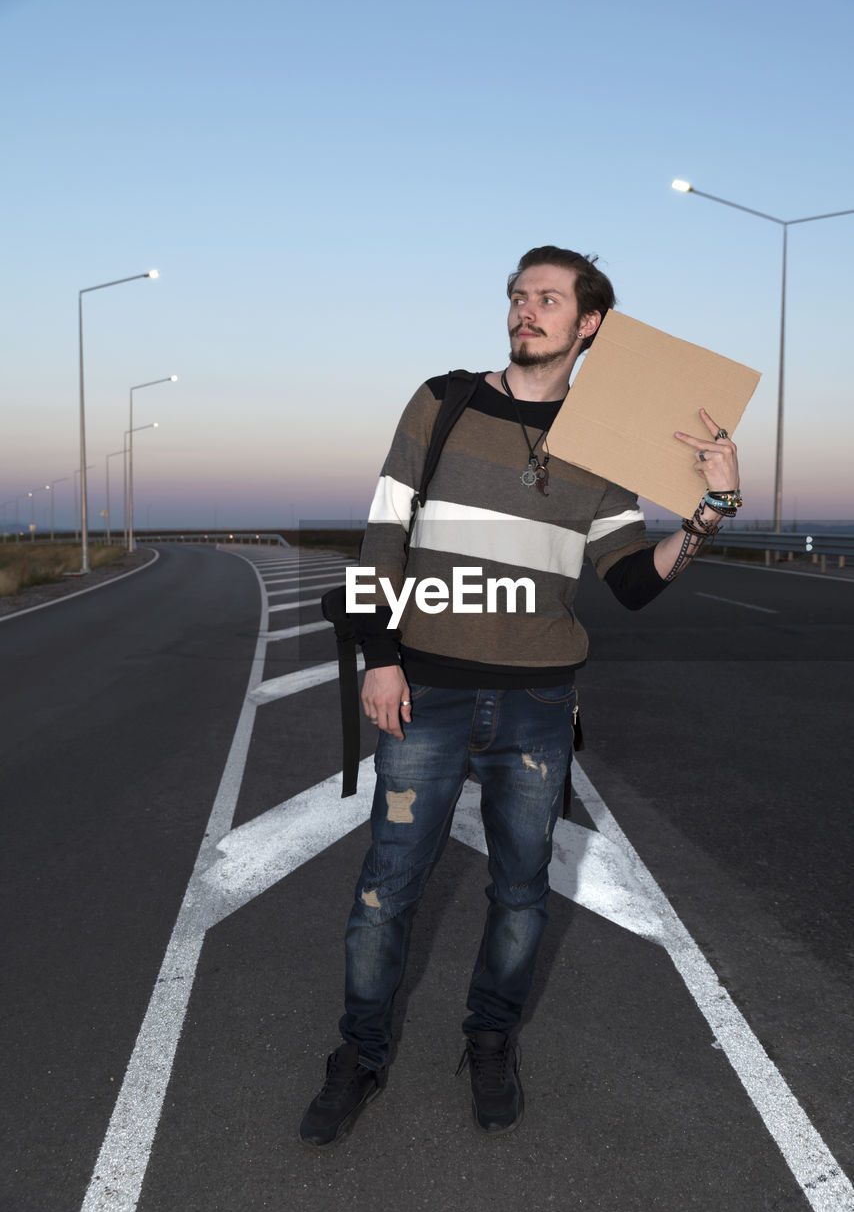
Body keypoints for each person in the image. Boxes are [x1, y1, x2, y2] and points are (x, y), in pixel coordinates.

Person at [299, 245, 740, 1147]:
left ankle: (491, 1037)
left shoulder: (602, 445)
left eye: (547, 297)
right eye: (516, 295)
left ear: (590, 325)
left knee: (522, 890)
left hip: (539, 701)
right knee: (387, 888)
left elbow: (631, 580)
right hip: (427, 690)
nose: (524, 309)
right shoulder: (442, 402)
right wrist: (380, 658)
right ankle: (361, 1053)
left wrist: (710, 510)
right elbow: (384, 536)